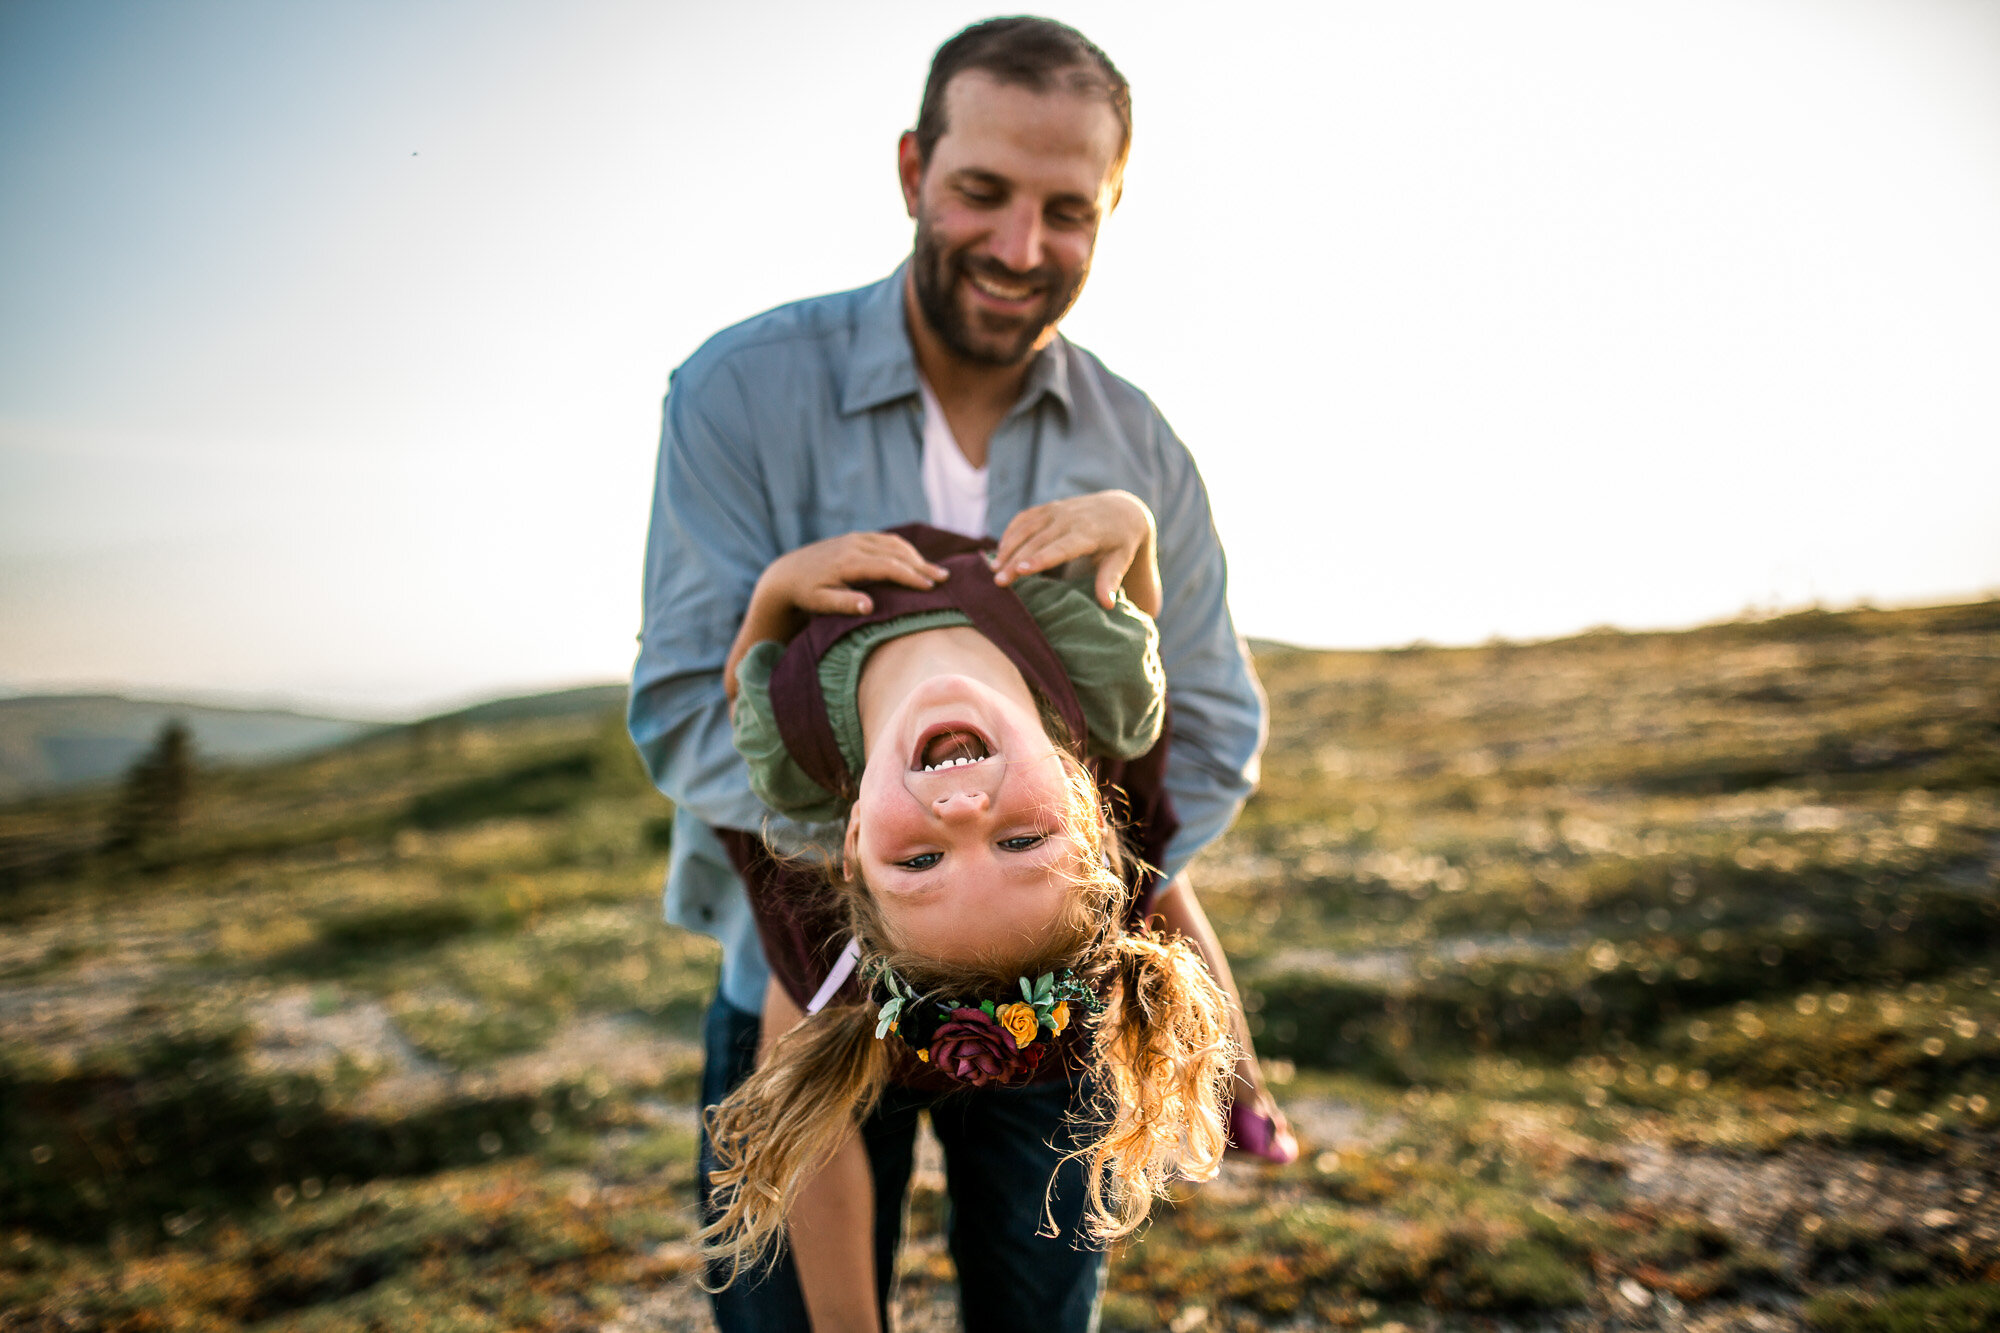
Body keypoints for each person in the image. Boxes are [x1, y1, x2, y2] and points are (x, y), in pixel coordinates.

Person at [628, 16, 1283, 1331]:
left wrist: (1055, 883)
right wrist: (877, 883)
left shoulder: (1141, 447)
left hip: (1057, 976)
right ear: (915, 169)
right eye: (982, 192)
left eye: (1068, 210)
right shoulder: (737, 392)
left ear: (1112, 207)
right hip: (807, 977)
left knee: (1041, 1311)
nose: (1020, 249)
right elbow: (681, 714)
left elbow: (1203, 730)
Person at [700, 508, 1235, 1331]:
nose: (960, 808)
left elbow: (740, 684)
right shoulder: (1106, 680)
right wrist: (1133, 521)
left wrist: (775, 593)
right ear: (1084, 795)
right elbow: (1135, 584)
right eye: (1021, 838)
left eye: (918, 863)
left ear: (848, 844)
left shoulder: (794, 748)